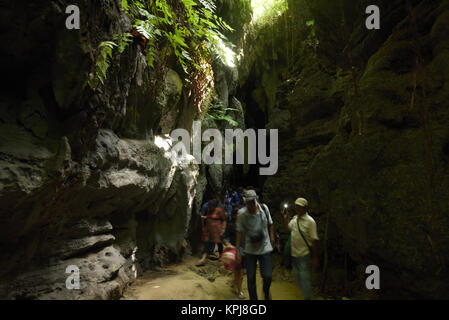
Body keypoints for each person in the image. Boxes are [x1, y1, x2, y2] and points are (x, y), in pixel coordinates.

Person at [236, 190, 274, 300]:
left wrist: (271, 238)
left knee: (267, 276)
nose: (249, 205)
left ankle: (266, 292)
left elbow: (270, 224)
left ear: (255, 201)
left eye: (250, 202)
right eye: (247, 203)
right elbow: (239, 232)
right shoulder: (242, 214)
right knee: (251, 278)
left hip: (265, 247)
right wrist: (238, 250)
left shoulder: (264, 209)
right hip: (250, 250)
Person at [281, 197, 319, 300]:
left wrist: (315, 258)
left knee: (304, 278)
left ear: (305, 208)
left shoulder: (310, 222)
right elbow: (289, 230)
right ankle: (306, 294)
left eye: (300, 207)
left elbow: (314, 240)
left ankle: (307, 297)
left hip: (304, 255)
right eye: (296, 206)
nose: (297, 208)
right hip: (294, 254)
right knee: (297, 277)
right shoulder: (294, 219)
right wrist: (285, 220)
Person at [222, 208, 246, 299]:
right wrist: (228, 244)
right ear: (235, 215)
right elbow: (223, 237)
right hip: (235, 251)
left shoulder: (245, 225)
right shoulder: (231, 226)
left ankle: (236, 285)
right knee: (238, 271)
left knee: (242, 272)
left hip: (245, 251)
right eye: (239, 214)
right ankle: (240, 291)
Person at [196, 199, 227, 266]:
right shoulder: (209, 210)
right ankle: (203, 259)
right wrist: (204, 217)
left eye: (211, 206)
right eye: (209, 206)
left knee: (219, 244)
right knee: (207, 244)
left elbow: (224, 220)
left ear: (215, 206)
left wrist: (223, 230)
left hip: (217, 231)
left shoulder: (219, 211)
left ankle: (221, 257)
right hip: (209, 231)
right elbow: (209, 217)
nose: (210, 207)